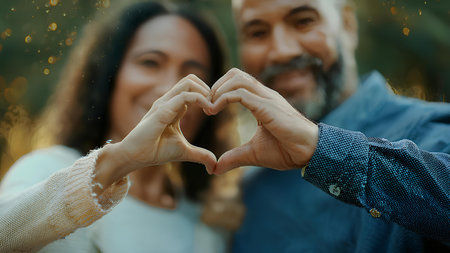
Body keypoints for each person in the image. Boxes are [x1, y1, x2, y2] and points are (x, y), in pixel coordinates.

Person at [204, 0, 450, 251]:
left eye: (304, 21)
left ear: (348, 25)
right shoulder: (248, 195)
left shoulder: (433, 132)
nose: (282, 51)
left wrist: (321, 148)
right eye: (257, 33)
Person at [0, 1, 243, 252]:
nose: (171, 87)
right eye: (150, 63)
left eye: (193, 75)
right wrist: (120, 162)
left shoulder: (209, 226)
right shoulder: (45, 170)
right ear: (108, 75)